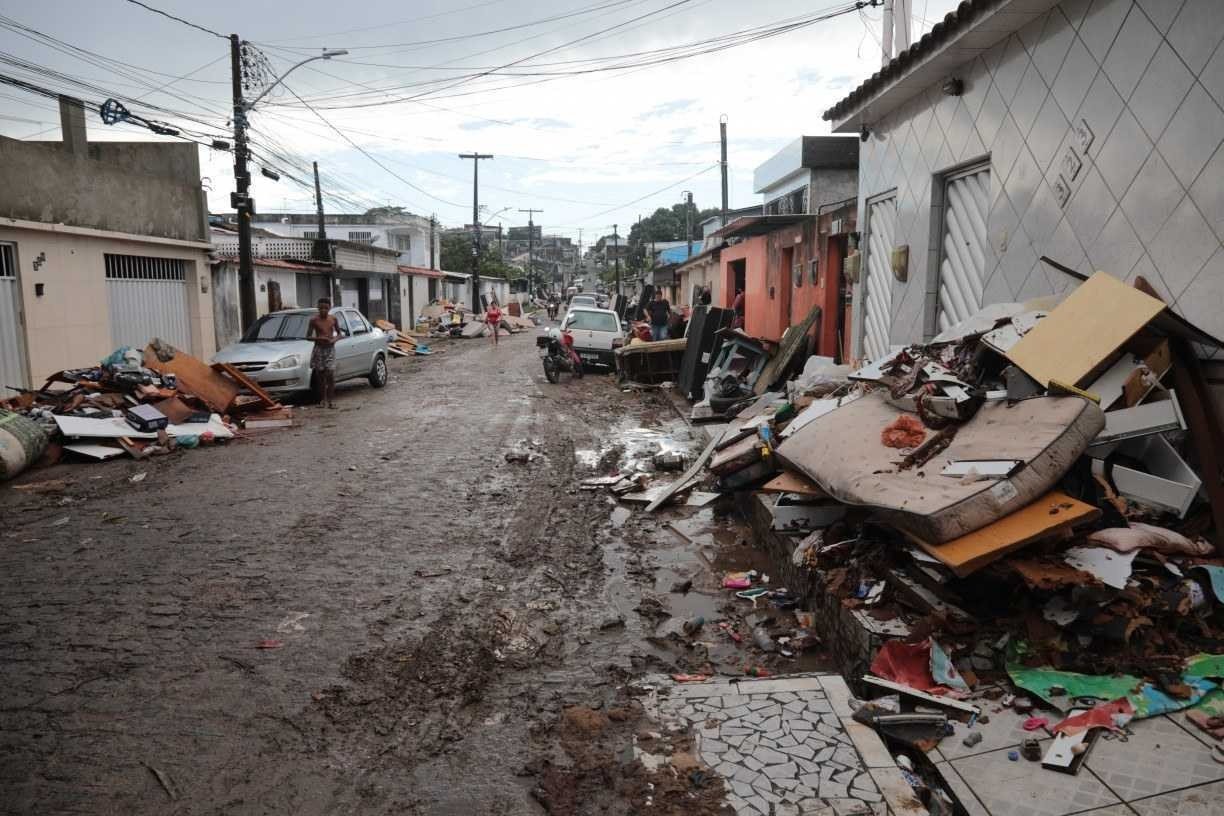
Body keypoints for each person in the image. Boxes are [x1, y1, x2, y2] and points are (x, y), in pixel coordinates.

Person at [306, 298, 341, 408]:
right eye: (321, 308)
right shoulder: (314, 320)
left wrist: (333, 340)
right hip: (319, 350)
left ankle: (331, 401)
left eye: (326, 308)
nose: (323, 310)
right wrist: (318, 338)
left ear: (329, 308)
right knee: (320, 376)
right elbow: (307, 336)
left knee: (330, 374)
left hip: (330, 349)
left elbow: (340, 334)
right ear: (318, 308)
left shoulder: (333, 319)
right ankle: (322, 400)